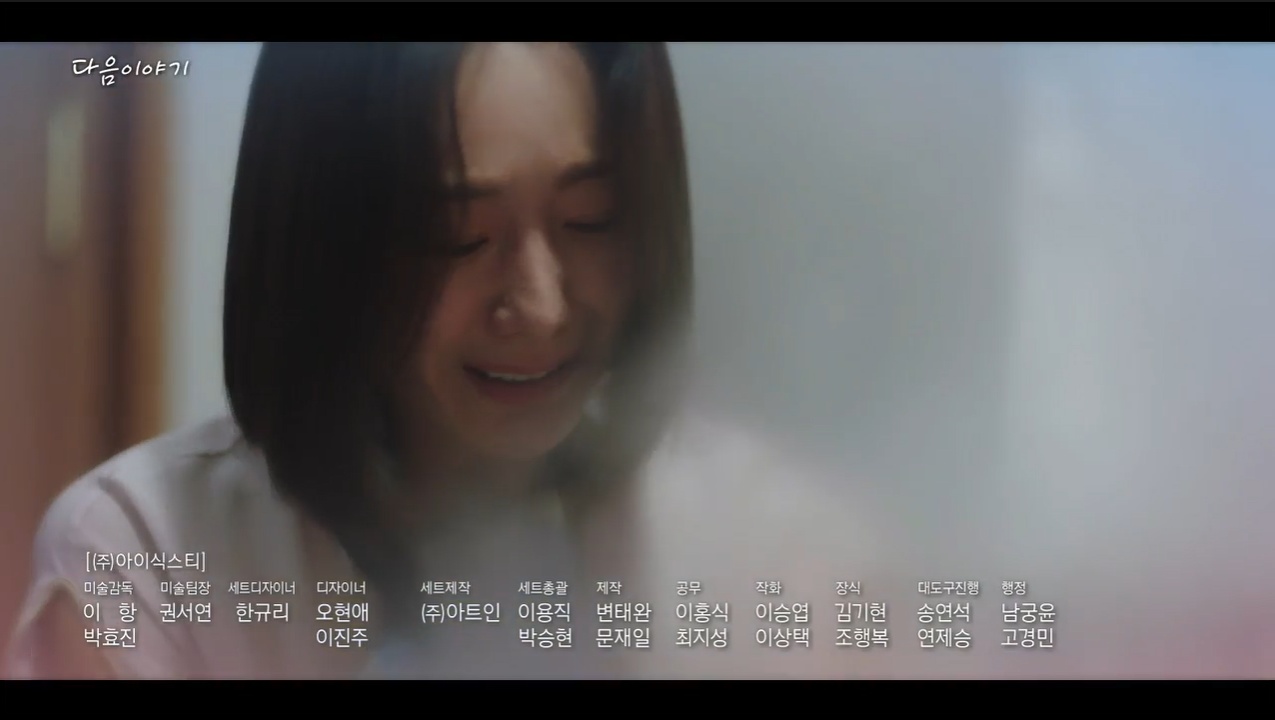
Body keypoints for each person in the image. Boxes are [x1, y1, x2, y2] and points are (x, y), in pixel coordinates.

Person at [5, 42, 888, 679]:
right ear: (324, 239)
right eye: (455, 233)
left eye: (590, 218)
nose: (539, 306)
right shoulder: (146, 557)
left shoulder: (773, 551)